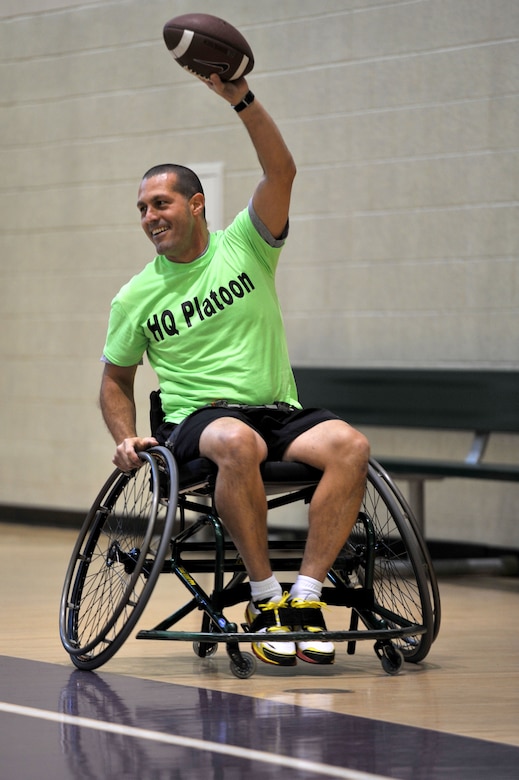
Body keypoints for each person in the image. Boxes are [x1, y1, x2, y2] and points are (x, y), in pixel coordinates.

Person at [99, 73, 370, 667]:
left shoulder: (246, 244)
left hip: (278, 412)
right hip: (199, 424)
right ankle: (264, 595)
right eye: (142, 208)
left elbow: (282, 174)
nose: (149, 216)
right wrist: (125, 440)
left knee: (350, 445)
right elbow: (115, 381)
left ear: (195, 204)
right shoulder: (134, 297)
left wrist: (240, 100)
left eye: (161, 203)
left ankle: (305, 597)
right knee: (233, 437)